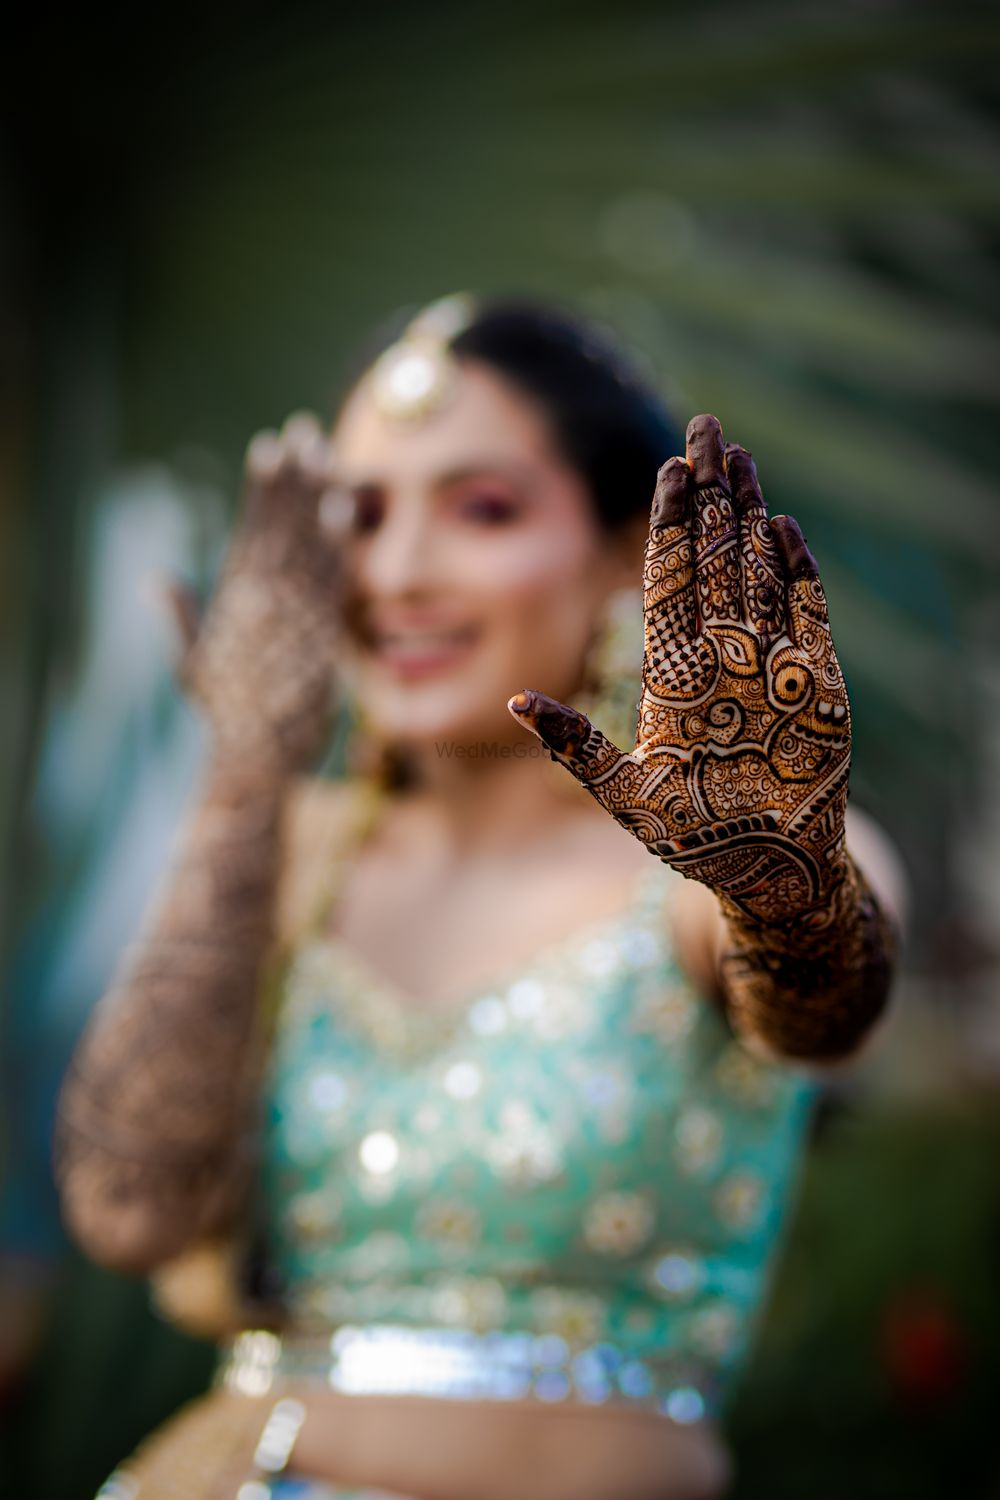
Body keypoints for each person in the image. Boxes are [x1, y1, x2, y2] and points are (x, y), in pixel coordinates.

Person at [54, 294, 903, 1500]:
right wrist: (243, 778)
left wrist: (783, 882)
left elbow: (828, 1001)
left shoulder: (725, 868)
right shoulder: (285, 861)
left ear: (628, 552)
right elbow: (127, 1212)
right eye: (359, 514)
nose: (394, 572)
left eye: (483, 509)